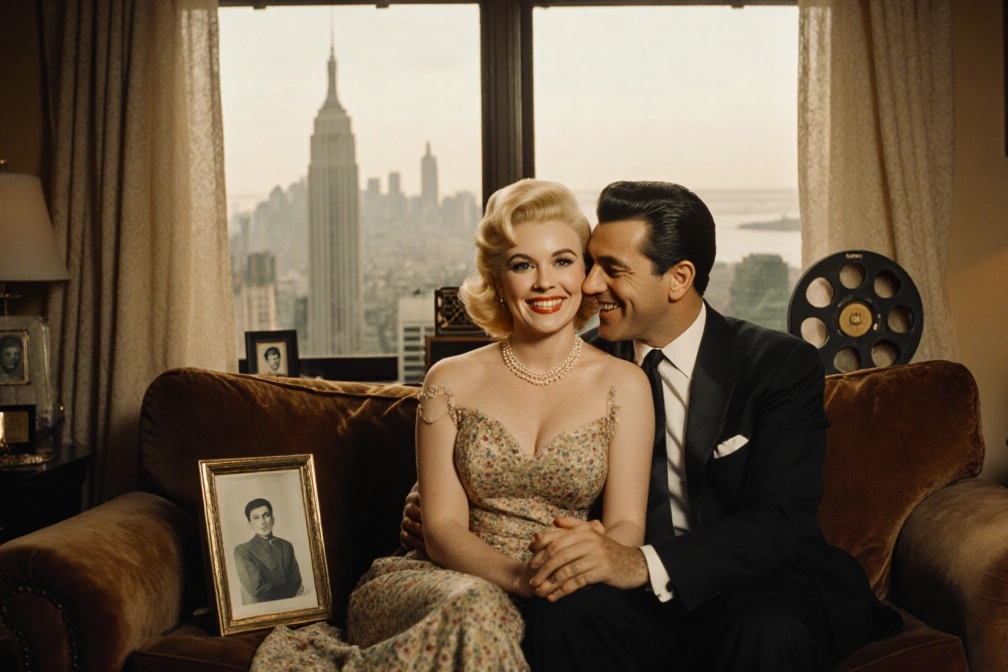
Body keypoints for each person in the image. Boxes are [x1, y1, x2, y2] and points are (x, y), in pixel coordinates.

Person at [403, 180, 901, 672]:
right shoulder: (583, 364)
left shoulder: (776, 365)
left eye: (611, 269)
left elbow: (781, 523)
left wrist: (642, 564)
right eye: (590, 264)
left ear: (679, 278)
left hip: (760, 583)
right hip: (635, 600)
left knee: (764, 631)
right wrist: (434, 507)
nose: (591, 285)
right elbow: (523, 457)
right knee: (564, 613)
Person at [250, 179, 655, 672]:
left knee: (536, 621)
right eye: (523, 265)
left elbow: (627, 526)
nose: (545, 281)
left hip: (560, 587)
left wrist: (581, 565)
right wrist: (520, 577)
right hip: (438, 581)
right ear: (498, 279)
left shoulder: (625, 384)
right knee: (478, 608)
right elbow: (439, 529)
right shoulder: (449, 379)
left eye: (563, 260)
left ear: (586, 272)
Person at [234, 498, 304, 605]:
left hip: (290, 606)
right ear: (250, 523)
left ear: (273, 519)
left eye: (266, 515)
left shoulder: (287, 546)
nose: (263, 522)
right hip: (261, 611)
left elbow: (296, 582)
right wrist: (286, 587)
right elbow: (257, 589)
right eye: (256, 518)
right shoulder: (243, 551)